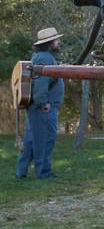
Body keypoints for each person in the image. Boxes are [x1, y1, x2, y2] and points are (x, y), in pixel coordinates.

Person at [16, 28, 65, 181]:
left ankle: (21, 173)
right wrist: (44, 102)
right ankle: (43, 173)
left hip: (35, 107)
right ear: (49, 43)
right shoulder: (46, 58)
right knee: (45, 139)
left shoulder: (37, 56)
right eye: (56, 40)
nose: (58, 42)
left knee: (30, 142)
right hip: (43, 107)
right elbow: (41, 83)